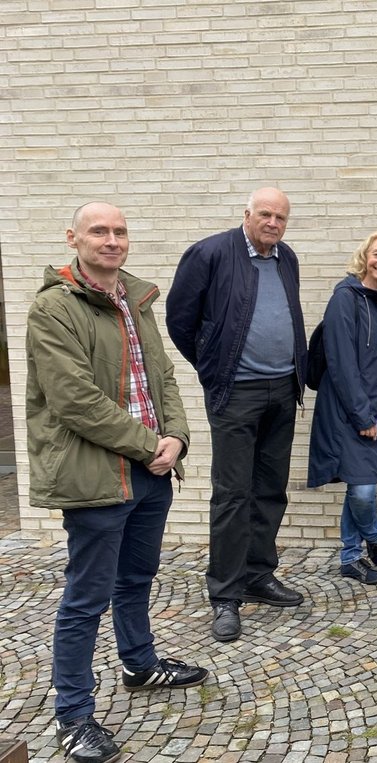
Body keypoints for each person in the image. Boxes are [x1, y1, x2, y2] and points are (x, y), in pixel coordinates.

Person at [27, 202, 209, 763]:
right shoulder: (54, 309)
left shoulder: (136, 300)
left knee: (136, 577)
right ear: (73, 238)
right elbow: (74, 400)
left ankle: (139, 663)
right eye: (99, 231)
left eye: (120, 231)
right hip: (96, 472)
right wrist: (149, 445)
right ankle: (74, 716)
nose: (112, 240)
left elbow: (164, 378)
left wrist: (176, 437)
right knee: (86, 597)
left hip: (151, 471)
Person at [166, 187, 307, 643]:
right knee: (232, 493)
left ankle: (258, 575)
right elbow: (179, 319)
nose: (273, 223)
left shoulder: (286, 258)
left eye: (280, 217)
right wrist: (214, 367)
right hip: (236, 392)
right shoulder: (209, 253)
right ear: (246, 214)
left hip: (283, 388)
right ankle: (225, 594)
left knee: (270, 489)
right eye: (265, 214)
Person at [307, 232, 377, 585]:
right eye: (376, 254)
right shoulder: (344, 300)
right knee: (362, 489)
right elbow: (342, 363)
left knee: (360, 484)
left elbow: (376, 362)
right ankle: (374, 539)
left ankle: (351, 558)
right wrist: (362, 416)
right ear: (364, 257)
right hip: (348, 412)